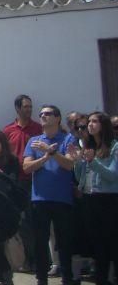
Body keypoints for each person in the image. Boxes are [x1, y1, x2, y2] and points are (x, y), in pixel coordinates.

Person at [23, 104, 78, 285]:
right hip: (40, 199)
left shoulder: (68, 139)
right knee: (40, 241)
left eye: (48, 113)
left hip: (62, 198)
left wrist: (51, 152)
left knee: (64, 241)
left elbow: (70, 165)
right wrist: (46, 156)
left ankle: (67, 278)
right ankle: (41, 279)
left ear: (58, 118)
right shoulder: (34, 141)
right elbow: (27, 167)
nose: (43, 116)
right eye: (41, 114)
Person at [74, 112, 118, 285]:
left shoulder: (114, 146)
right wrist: (78, 161)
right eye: (89, 122)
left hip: (108, 200)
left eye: (94, 121)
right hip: (90, 199)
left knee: (112, 243)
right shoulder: (89, 146)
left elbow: (112, 175)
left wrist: (93, 162)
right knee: (97, 245)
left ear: (103, 125)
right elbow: (81, 178)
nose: (90, 125)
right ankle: (101, 279)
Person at [3, 94, 42, 270]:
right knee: (20, 222)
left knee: (35, 221)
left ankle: (38, 260)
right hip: (15, 181)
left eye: (30, 107)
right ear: (17, 108)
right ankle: (24, 259)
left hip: (35, 180)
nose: (29, 109)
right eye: (25, 107)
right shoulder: (8, 130)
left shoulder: (38, 129)